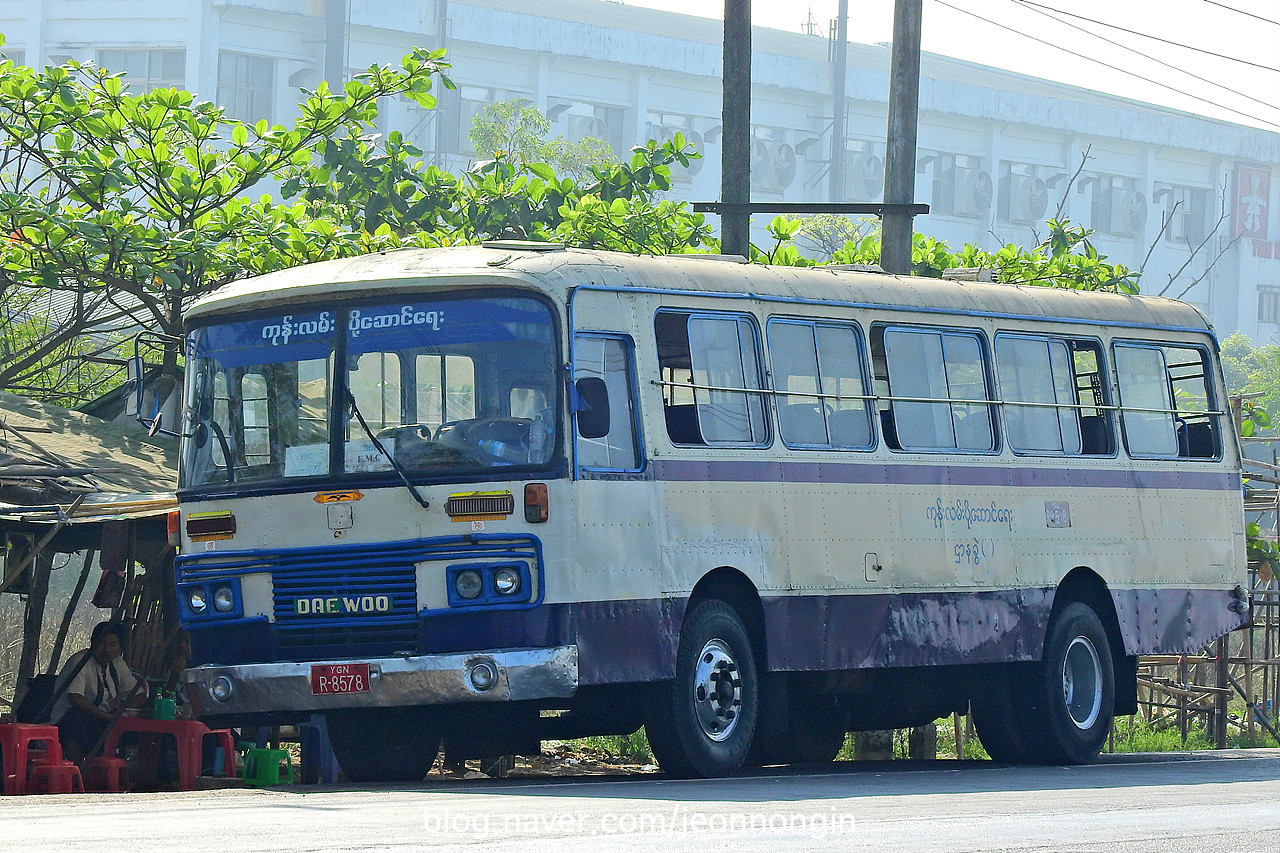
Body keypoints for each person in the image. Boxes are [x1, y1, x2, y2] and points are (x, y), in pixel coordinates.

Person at [51, 621, 147, 763]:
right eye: (102, 643)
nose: (106, 649)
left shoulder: (117, 663)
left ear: (120, 648)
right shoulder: (80, 661)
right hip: (68, 722)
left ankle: (152, 780)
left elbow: (139, 695)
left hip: (101, 722)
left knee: (147, 733)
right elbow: (75, 699)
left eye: (113, 645)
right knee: (78, 718)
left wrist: (121, 712)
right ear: (92, 643)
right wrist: (107, 717)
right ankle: (78, 773)